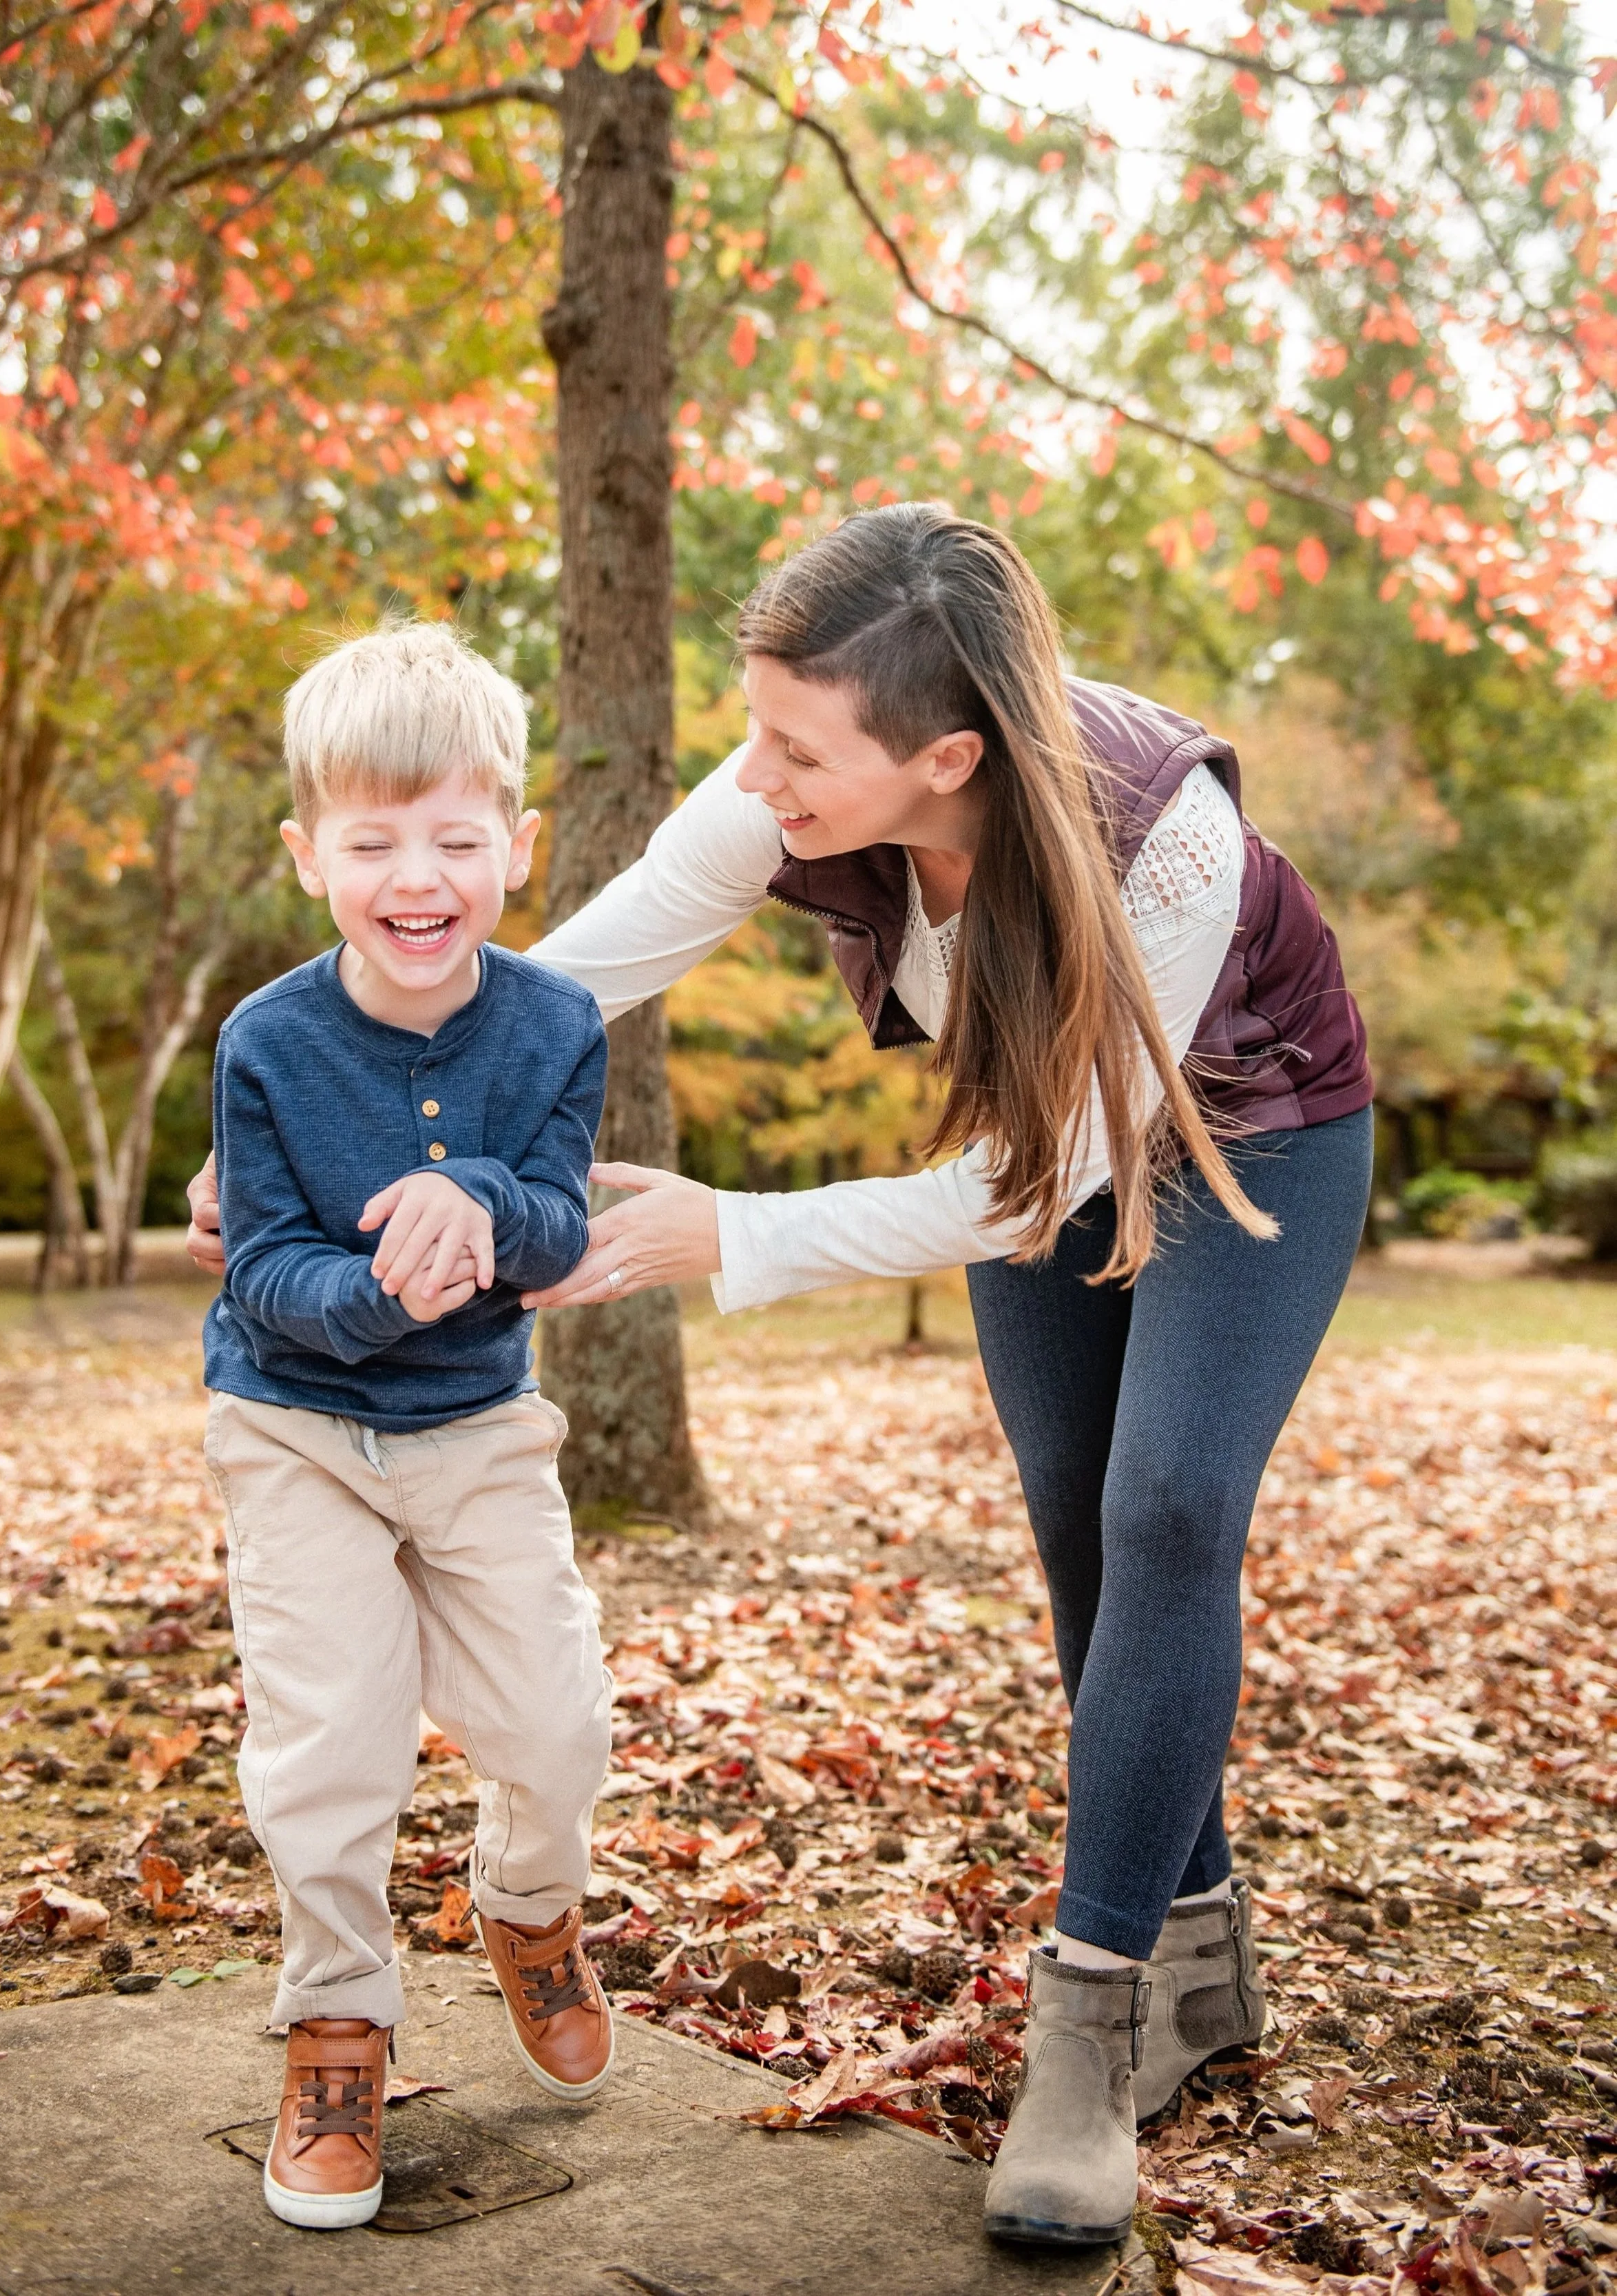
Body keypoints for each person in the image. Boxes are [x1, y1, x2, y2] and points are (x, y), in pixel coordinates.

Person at [188, 507, 1373, 2249]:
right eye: (757, 728)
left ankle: (1091, 2014)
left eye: (792, 750)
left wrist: (729, 1232)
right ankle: (1193, 1945)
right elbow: (582, 968)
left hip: (1247, 1137)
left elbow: (1043, 1184)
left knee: (1169, 1507)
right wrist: (321, 1110)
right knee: (1081, 1543)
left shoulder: (1162, 842)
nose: (757, 778)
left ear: (943, 756)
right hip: (1037, 1132)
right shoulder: (790, 777)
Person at [202, 621, 616, 2232]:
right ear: (312, 855)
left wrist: (476, 1204)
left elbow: (561, 1216)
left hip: (478, 1426)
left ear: (514, 844)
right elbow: (261, 1262)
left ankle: (525, 1901)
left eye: (455, 838)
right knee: (332, 1741)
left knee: (555, 1721)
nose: (417, 875)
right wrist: (386, 1284)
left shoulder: (556, 1024)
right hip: (296, 1425)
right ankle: (337, 2020)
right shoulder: (266, 1040)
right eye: (374, 842)